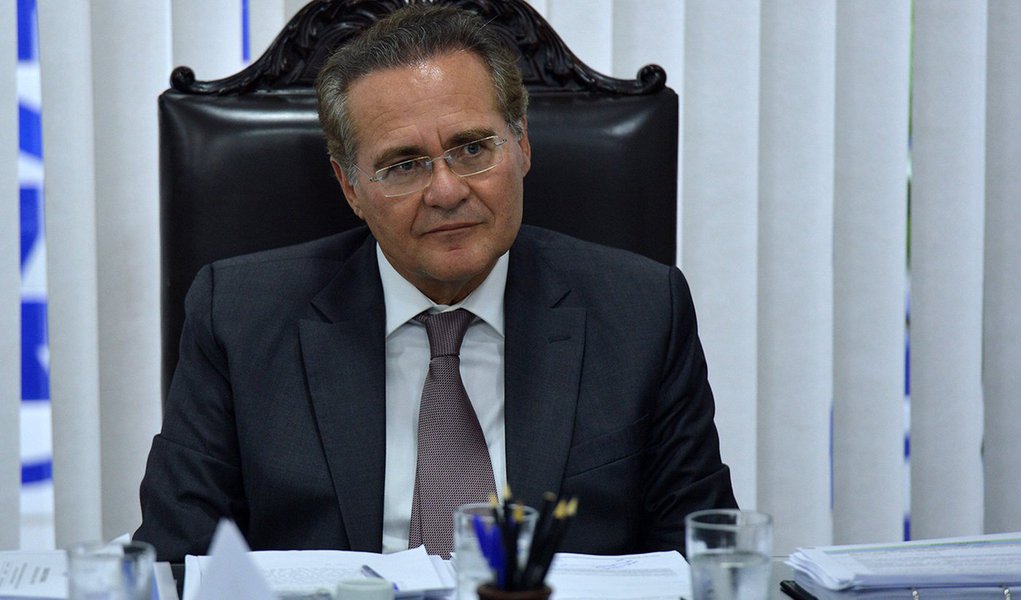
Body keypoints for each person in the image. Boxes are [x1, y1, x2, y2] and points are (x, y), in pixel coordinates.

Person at [135, 3, 737, 563]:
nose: (447, 191)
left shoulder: (642, 311)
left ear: (522, 146)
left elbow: (702, 556)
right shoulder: (238, 317)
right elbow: (177, 559)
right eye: (403, 165)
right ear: (350, 188)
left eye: (473, 148)